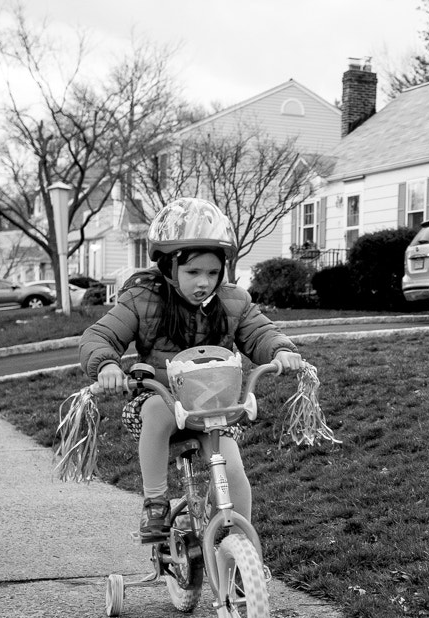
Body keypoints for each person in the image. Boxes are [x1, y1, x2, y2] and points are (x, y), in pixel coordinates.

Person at [79, 197, 304, 541]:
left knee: (233, 470)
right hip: (161, 400)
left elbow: (260, 332)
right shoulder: (142, 298)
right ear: (169, 268)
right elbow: (100, 335)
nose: (204, 282)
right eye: (193, 272)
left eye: (212, 273)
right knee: (156, 409)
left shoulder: (233, 301)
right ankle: (155, 501)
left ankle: (237, 544)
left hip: (214, 407)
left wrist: (281, 350)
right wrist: (107, 364)